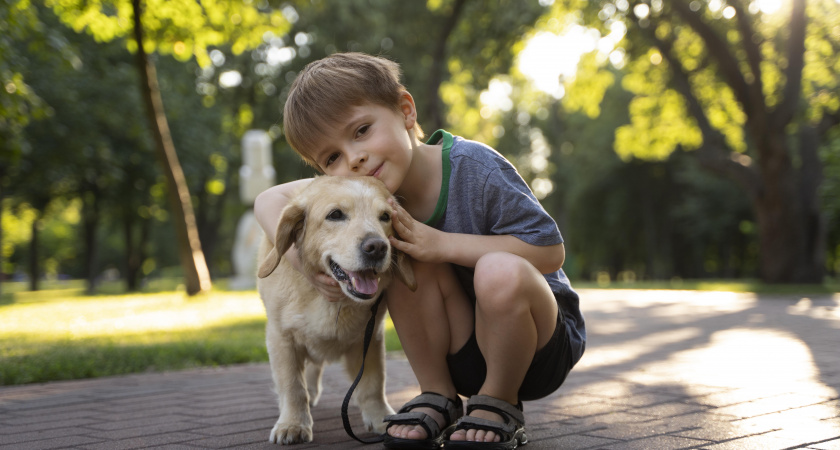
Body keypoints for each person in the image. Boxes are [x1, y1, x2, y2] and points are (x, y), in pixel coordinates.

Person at [254, 52, 585, 449]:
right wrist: (303, 265)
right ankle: (438, 395)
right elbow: (269, 199)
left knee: (497, 269)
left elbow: (550, 251)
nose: (354, 158)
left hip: (539, 347)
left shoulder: (475, 167)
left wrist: (442, 244)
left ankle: (499, 402)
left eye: (361, 131)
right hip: (463, 350)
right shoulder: (370, 197)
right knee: (399, 256)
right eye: (332, 158)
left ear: (406, 110)